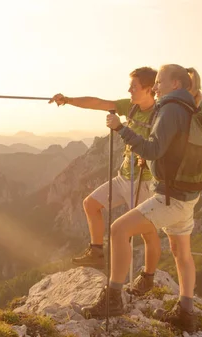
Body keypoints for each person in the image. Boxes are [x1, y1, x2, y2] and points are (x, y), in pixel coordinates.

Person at [82, 64, 202, 333]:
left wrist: (121, 130)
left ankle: (113, 298)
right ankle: (186, 313)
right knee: (181, 253)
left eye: (160, 81)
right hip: (186, 194)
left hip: (170, 195)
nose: (156, 86)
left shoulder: (171, 109)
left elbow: (153, 150)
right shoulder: (188, 106)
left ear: (175, 84)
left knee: (119, 229)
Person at [49, 67, 161, 296]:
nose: (129, 90)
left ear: (149, 89)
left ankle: (148, 277)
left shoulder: (160, 115)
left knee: (147, 233)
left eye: (134, 86)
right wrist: (68, 100)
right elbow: (98, 102)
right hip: (124, 176)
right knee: (90, 204)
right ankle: (97, 252)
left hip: (144, 181)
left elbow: (159, 147)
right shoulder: (129, 106)